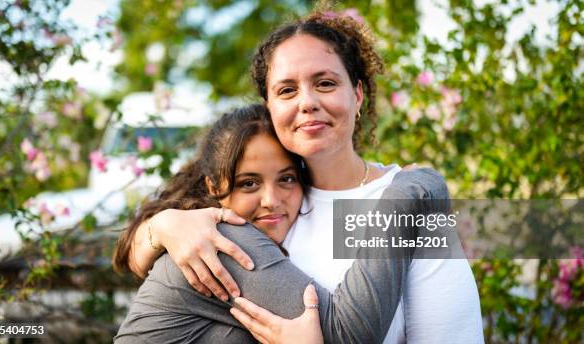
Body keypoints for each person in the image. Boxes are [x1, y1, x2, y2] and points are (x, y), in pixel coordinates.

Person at [122, 9, 483, 343]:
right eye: (287, 90)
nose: (306, 102)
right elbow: (138, 258)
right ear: (270, 107)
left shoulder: (407, 205)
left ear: (357, 95)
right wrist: (162, 226)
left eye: (325, 83)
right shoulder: (256, 213)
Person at [114, 104, 434, 343]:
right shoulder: (223, 242)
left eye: (286, 178)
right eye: (249, 183)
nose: (271, 199)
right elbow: (352, 334)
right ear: (213, 187)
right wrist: (413, 190)